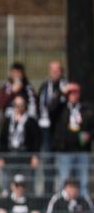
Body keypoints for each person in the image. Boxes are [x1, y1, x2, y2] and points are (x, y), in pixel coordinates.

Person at [51, 82, 93, 193]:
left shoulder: (86, 108)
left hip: (82, 150)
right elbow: (50, 108)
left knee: (83, 182)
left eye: (76, 92)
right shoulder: (61, 108)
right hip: (64, 151)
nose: (73, 95)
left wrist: (89, 135)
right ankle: (63, 207)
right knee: (64, 181)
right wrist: (62, 91)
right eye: (71, 93)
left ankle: (84, 207)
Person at [0, 96, 41, 193]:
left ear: (25, 106)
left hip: (26, 156)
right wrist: (0, 157)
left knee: (27, 182)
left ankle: (28, 202)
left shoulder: (31, 121)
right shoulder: (8, 120)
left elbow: (36, 140)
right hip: (10, 156)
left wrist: (35, 156)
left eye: (21, 105)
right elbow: (2, 139)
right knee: (8, 182)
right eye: (16, 105)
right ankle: (8, 201)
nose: (18, 107)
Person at [37, 61, 67, 194]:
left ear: (62, 72)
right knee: (47, 164)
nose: (54, 73)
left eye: (57, 70)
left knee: (61, 165)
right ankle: (47, 194)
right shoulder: (44, 86)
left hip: (59, 130)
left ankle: (62, 195)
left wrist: (60, 93)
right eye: (52, 70)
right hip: (45, 128)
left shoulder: (64, 87)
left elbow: (54, 107)